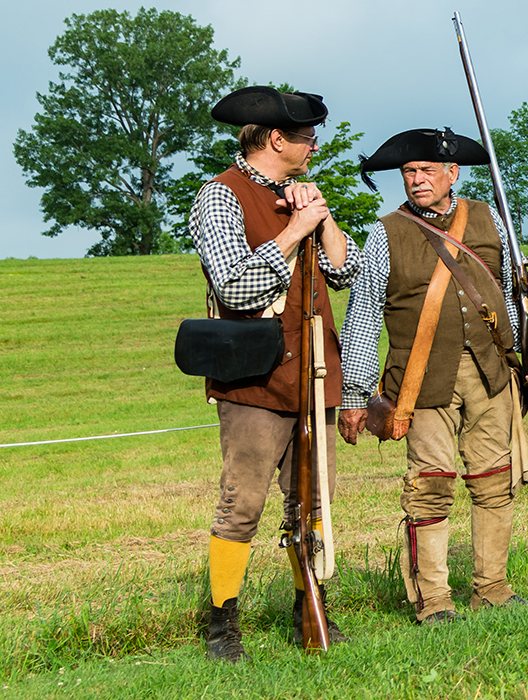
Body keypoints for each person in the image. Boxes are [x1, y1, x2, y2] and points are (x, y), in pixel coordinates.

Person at [340, 127, 528, 623]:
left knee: (494, 480)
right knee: (430, 486)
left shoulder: (488, 218)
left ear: (451, 173)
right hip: (421, 380)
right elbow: (362, 315)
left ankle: (493, 588)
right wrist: (354, 391)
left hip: (490, 371)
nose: (416, 181)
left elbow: (516, 292)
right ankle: (433, 601)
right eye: (408, 173)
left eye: (425, 171)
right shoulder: (385, 233)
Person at [188, 86, 359, 661]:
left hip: (314, 370)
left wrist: (322, 216)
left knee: (312, 502)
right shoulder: (219, 197)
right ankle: (221, 625)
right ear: (277, 139)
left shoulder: (304, 195)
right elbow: (235, 285)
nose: (315, 144)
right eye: (308, 136)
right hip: (255, 376)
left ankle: (307, 605)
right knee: (242, 503)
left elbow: (346, 272)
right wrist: (291, 233)